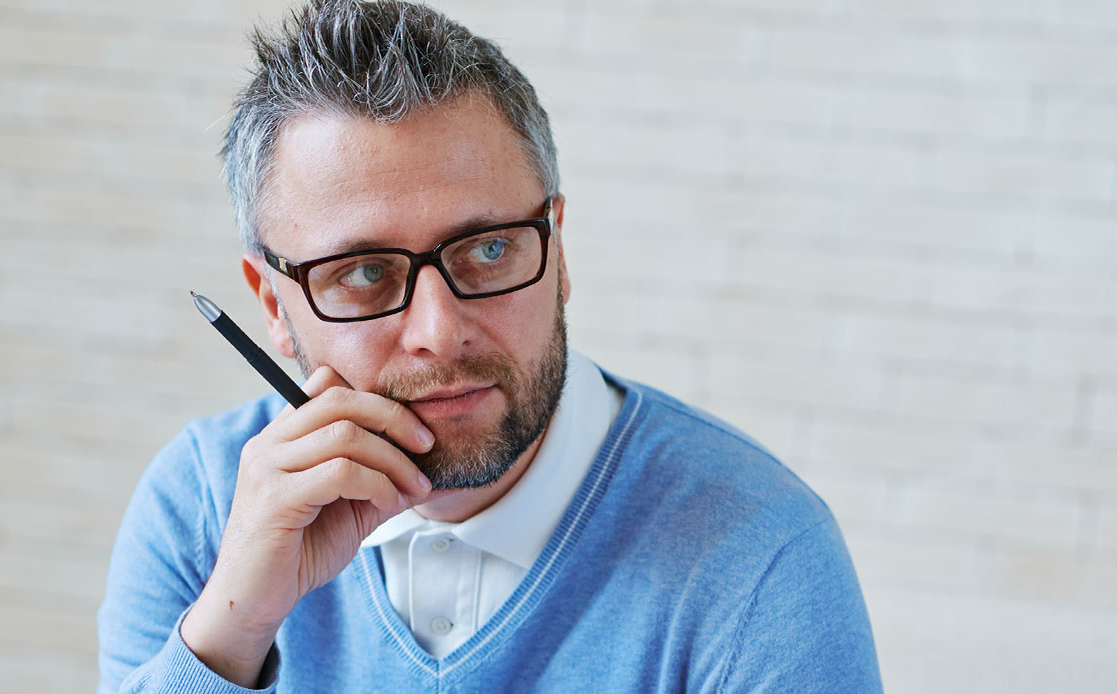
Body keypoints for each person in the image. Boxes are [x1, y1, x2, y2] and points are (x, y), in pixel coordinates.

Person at [97, 1, 883, 691]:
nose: (439, 333)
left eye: (489, 251)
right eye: (364, 273)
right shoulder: (200, 506)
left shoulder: (759, 554)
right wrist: (232, 631)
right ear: (275, 305)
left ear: (560, 253)